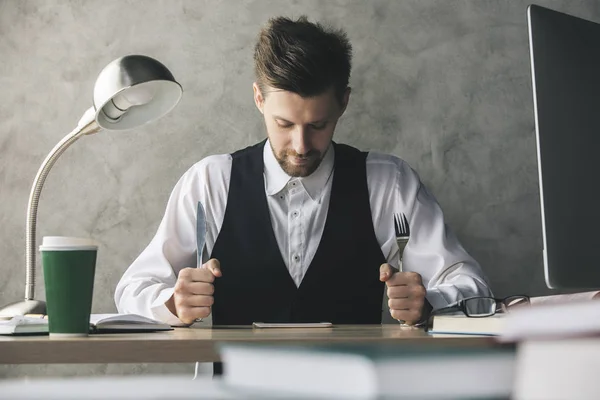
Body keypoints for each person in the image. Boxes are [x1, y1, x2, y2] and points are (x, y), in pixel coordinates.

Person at [115, 15, 492, 329]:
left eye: (318, 125)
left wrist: (429, 303)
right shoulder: (210, 183)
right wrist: (171, 303)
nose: (300, 145)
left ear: (343, 103)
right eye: (284, 124)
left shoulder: (387, 183)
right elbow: (133, 289)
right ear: (259, 99)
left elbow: (471, 287)